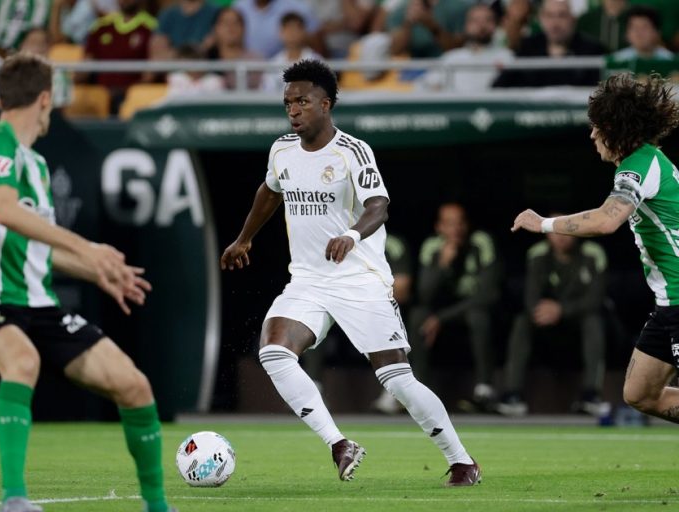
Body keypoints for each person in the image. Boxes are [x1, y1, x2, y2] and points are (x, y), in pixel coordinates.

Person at [220, 59, 481, 486]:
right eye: (288, 103)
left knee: (397, 379)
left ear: (326, 104)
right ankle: (339, 444)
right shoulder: (281, 150)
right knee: (274, 351)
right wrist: (244, 238)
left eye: (302, 102)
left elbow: (379, 205)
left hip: (359, 279)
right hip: (308, 280)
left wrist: (352, 235)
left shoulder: (352, 151)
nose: (293, 110)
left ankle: (462, 461)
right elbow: (269, 190)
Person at [0, 53, 174, 512]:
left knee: (134, 385)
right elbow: (4, 210)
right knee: (22, 361)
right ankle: (14, 500)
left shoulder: (36, 165)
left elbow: (33, 247)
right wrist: (88, 249)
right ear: (45, 100)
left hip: (39, 303)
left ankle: (157, 506)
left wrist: (97, 271)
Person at [511, 72, 679, 426]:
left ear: (616, 129)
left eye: (597, 127)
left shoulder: (639, 166)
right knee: (640, 393)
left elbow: (606, 220)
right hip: (668, 302)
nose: (591, 135)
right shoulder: (645, 162)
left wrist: (544, 223)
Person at [497, 221, 609, 417]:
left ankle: (591, 394)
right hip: (547, 327)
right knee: (522, 321)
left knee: (593, 320)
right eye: (554, 229)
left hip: (578, 325)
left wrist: (562, 310)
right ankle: (513, 395)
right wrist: (546, 311)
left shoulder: (592, 253)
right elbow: (531, 299)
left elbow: (596, 299)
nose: (560, 235)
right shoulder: (538, 254)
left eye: (565, 227)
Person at [409, 203, 499, 410]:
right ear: (439, 227)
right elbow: (424, 294)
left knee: (478, 316)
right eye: (449, 224)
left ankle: (484, 390)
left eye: (460, 223)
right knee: (417, 316)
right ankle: (419, 391)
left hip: (469, 308)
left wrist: (441, 319)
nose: (456, 229)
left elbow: (488, 294)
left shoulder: (481, 242)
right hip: (441, 309)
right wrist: (442, 264)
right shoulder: (432, 246)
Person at [493, 0, 605, 88]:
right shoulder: (527, 47)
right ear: (541, 19)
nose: (555, 23)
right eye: (549, 15)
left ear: (573, 19)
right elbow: (499, 87)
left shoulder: (592, 50)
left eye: (562, 15)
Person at [420, 3, 513, 92]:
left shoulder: (507, 57)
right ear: (466, 26)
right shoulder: (451, 58)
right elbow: (426, 85)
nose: (482, 25)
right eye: (475, 21)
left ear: (496, 25)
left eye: (488, 20)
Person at [260, 12, 323, 93]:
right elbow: (266, 93)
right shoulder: (273, 63)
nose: (292, 33)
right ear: (281, 32)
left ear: (304, 32)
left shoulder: (317, 61)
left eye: (296, 29)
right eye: (288, 29)